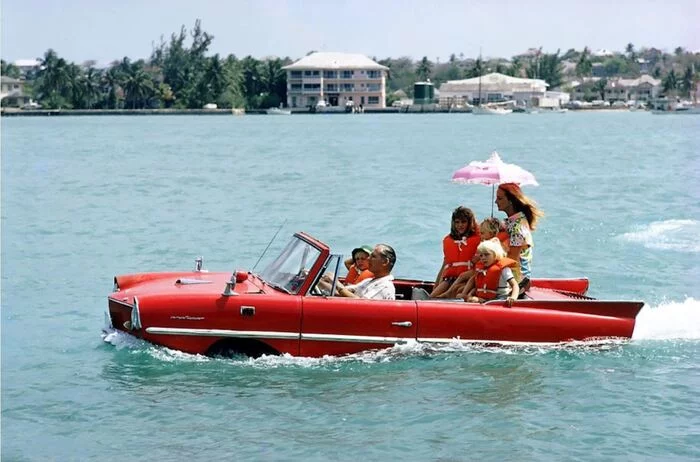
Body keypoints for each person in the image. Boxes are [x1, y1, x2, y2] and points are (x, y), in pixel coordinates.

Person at [494, 183, 544, 282]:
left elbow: (512, 260)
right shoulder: (514, 221)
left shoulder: (517, 228)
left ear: (510, 201)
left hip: (516, 282)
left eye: (499, 198)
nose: (495, 202)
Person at [430, 206, 480, 298]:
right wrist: (436, 285)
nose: (460, 225)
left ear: (470, 223)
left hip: (467, 279)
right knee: (432, 297)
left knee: (456, 291)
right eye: (457, 222)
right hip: (449, 279)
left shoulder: (478, 239)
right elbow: (444, 265)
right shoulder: (448, 240)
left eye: (463, 222)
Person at [320, 244, 396, 300]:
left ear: (385, 262)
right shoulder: (368, 281)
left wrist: (335, 282)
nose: (368, 259)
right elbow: (343, 291)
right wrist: (320, 282)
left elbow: (361, 302)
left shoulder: (384, 286)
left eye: (373, 256)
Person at [463, 238, 519, 306]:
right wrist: (469, 295)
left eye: (486, 255)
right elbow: (477, 287)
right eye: (481, 255)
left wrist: (513, 297)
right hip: (485, 299)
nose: (483, 258)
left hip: (500, 299)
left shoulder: (504, 269)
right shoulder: (481, 269)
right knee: (472, 299)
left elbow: (514, 285)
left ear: (495, 254)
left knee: (474, 300)